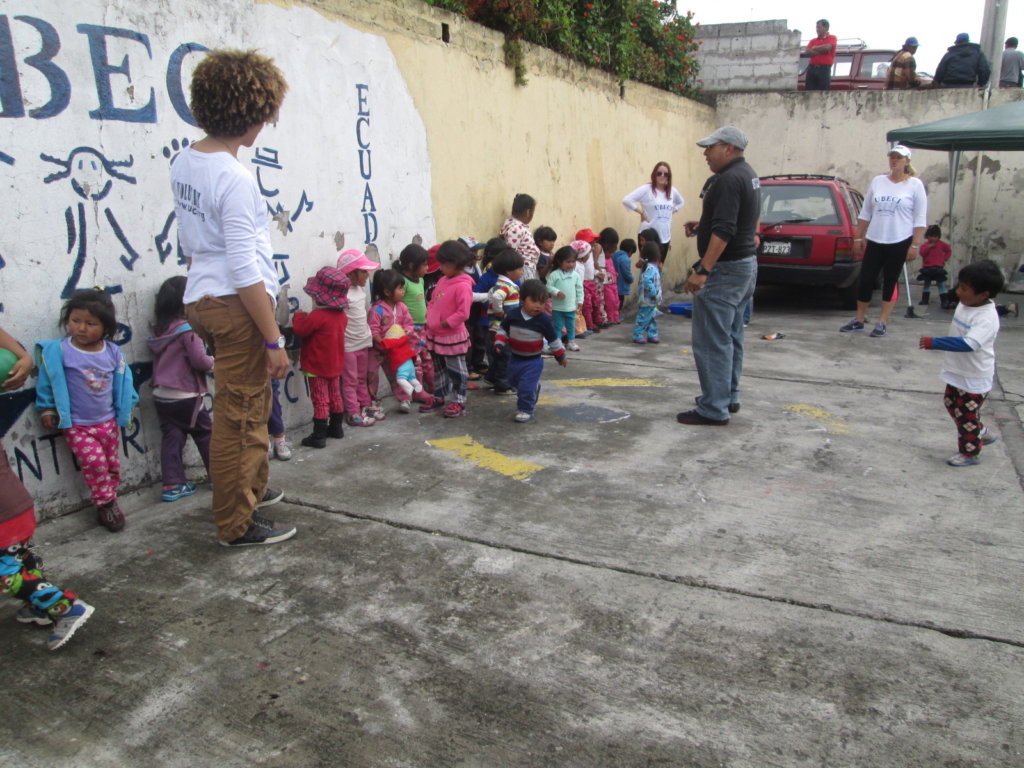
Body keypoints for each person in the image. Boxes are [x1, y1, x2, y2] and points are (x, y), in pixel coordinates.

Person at [175, 48, 292, 547]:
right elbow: (246, 270)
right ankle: (236, 523)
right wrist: (273, 340)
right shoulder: (234, 178)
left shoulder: (186, 159)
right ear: (251, 113)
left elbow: (193, 240)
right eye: (265, 115)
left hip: (203, 296)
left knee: (245, 406)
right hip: (237, 305)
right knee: (241, 417)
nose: (265, 125)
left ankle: (251, 489)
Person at [2, 325, 94, 650]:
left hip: (3, 513)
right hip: (16, 506)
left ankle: (67, 607)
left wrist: (25, 358)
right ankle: (37, 604)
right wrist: (24, 357)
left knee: (6, 574)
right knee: (21, 557)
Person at [36, 289, 138, 531]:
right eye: (75, 321)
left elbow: (125, 383)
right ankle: (106, 505)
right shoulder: (60, 351)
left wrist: (128, 406)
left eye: (90, 323)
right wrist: (47, 408)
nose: (81, 328)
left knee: (112, 464)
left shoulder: (113, 352)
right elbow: (46, 381)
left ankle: (109, 498)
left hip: (108, 421)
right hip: (78, 424)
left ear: (106, 327)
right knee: (96, 465)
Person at [679, 125, 760, 426]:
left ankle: (714, 407)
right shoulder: (747, 174)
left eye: (710, 148)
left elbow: (726, 230)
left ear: (728, 148)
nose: (705, 153)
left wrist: (703, 270)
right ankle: (729, 395)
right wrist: (703, 226)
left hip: (726, 270)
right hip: (744, 267)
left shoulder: (728, 180)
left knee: (713, 340)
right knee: (732, 335)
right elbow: (734, 222)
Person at [918, 260, 1004, 466]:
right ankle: (979, 431)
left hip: (974, 376)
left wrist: (936, 342)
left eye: (965, 289)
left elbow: (969, 343)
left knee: (965, 415)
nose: (959, 292)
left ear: (983, 295)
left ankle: (970, 453)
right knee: (951, 404)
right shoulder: (967, 303)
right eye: (959, 286)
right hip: (958, 371)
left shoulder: (986, 317)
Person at [841, 144, 927, 337]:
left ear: (907, 161)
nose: (894, 160)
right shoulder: (879, 181)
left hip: (899, 239)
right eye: (892, 157)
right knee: (866, 279)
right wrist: (858, 237)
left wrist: (915, 244)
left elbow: (920, 218)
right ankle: (859, 319)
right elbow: (866, 213)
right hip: (876, 238)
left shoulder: (914, 185)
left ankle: (882, 321)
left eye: (899, 157)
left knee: (890, 280)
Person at [147, 276, 213, 502]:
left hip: (162, 394)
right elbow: (200, 361)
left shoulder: (161, 330)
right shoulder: (188, 330)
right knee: (206, 434)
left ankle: (173, 484)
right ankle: (219, 476)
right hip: (186, 394)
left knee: (172, 436)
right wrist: (216, 363)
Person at [494, 279, 568, 423]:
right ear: (522, 299)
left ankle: (525, 409)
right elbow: (503, 330)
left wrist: (560, 356)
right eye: (534, 301)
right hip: (514, 358)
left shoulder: (544, 320)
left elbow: (553, 340)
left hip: (533, 361)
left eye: (542, 302)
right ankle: (534, 387)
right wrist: (499, 343)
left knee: (526, 387)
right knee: (513, 381)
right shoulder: (513, 315)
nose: (538, 306)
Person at [292, 266, 349, 447]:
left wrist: (298, 317)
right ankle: (336, 428)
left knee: (320, 399)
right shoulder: (341, 316)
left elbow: (301, 330)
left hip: (316, 366)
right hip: (335, 365)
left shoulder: (317, 316)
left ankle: (319, 436)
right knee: (335, 396)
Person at [422, 240, 476, 418]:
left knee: (456, 370)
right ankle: (439, 396)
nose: (440, 268)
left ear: (454, 264)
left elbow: (463, 313)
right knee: (438, 369)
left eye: (443, 264)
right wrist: (430, 315)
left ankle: (459, 401)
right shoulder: (443, 280)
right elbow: (434, 300)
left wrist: (446, 322)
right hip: (436, 334)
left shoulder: (463, 285)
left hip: (451, 336)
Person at [336, 248, 380, 426]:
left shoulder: (360, 291)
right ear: (351, 273)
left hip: (363, 342)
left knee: (362, 378)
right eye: (363, 271)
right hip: (348, 346)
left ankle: (365, 406)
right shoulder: (342, 294)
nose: (367, 276)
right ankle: (353, 412)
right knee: (350, 380)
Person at [369, 269, 420, 414]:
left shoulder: (402, 307)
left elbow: (409, 324)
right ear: (387, 291)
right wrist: (382, 342)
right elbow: (373, 330)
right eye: (400, 288)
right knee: (371, 374)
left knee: (397, 374)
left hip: (395, 350)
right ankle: (371, 400)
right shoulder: (377, 310)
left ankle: (405, 398)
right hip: (378, 350)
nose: (403, 291)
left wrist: (406, 334)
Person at [396, 243, 435, 398]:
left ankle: (431, 385)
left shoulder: (421, 280)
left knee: (427, 358)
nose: (427, 269)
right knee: (416, 361)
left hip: (423, 328)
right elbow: (398, 305)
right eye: (424, 265)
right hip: (410, 330)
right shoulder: (403, 282)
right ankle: (419, 392)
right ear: (411, 265)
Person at [621, 163, 684, 260]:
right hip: (649, 235)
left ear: (669, 177)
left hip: (665, 236)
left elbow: (681, 202)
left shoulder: (672, 191)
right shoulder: (647, 189)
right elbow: (626, 200)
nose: (662, 176)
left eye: (665, 174)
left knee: (659, 267)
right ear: (654, 174)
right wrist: (641, 212)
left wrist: (673, 210)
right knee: (648, 266)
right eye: (659, 173)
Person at [485, 248, 524, 395]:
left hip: (494, 329)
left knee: (496, 356)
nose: (521, 272)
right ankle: (503, 385)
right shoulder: (507, 287)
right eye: (519, 269)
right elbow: (496, 297)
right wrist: (499, 311)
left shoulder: (499, 284)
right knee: (505, 358)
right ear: (509, 271)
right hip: (502, 330)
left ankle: (491, 377)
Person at [546, 245, 584, 352]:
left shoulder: (576, 276)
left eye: (573, 261)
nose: (571, 264)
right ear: (559, 261)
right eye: (568, 262)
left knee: (571, 326)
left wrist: (580, 301)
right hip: (558, 307)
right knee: (557, 326)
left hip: (571, 307)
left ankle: (571, 342)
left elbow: (579, 289)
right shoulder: (555, 275)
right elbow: (548, 287)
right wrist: (556, 292)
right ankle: (558, 343)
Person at [500, 193, 542, 279]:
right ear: (528, 212)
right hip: (522, 271)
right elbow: (511, 254)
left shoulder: (518, 226)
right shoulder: (516, 228)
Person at [633, 242, 663, 344]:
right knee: (643, 317)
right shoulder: (650, 268)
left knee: (651, 318)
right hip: (647, 299)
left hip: (652, 300)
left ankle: (652, 334)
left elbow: (655, 279)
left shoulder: (652, 267)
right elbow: (646, 280)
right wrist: (653, 292)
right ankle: (637, 335)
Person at [917, 225, 952, 308]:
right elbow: (922, 253)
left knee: (941, 284)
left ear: (938, 237)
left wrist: (945, 258)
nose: (933, 238)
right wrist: (928, 247)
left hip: (938, 268)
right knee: (927, 284)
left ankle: (944, 301)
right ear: (927, 236)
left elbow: (948, 250)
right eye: (930, 236)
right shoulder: (925, 245)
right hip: (927, 268)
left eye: (935, 236)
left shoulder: (942, 244)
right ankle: (925, 300)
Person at [804, 19, 838, 91]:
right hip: (812, 68)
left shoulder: (832, 38)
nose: (817, 29)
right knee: (809, 91)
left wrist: (815, 48)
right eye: (816, 27)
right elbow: (807, 51)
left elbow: (827, 48)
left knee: (823, 92)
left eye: (819, 27)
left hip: (824, 69)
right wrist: (822, 51)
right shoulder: (813, 40)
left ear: (826, 28)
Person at [598, 228, 621, 325]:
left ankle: (616, 318)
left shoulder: (610, 258)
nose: (611, 254)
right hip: (606, 285)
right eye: (610, 251)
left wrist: (615, 274)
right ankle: (610, 319)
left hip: (613, 284)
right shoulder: (600, 256)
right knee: (610, 302)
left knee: (616, 301)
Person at [613, 237, 636, 311]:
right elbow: (627, 273)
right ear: (631, 251)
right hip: (621, 286)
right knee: (620, 302)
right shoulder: (625, 259)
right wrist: (631, 278)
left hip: (613, 284)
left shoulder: (614, 255)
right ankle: (617, 317)